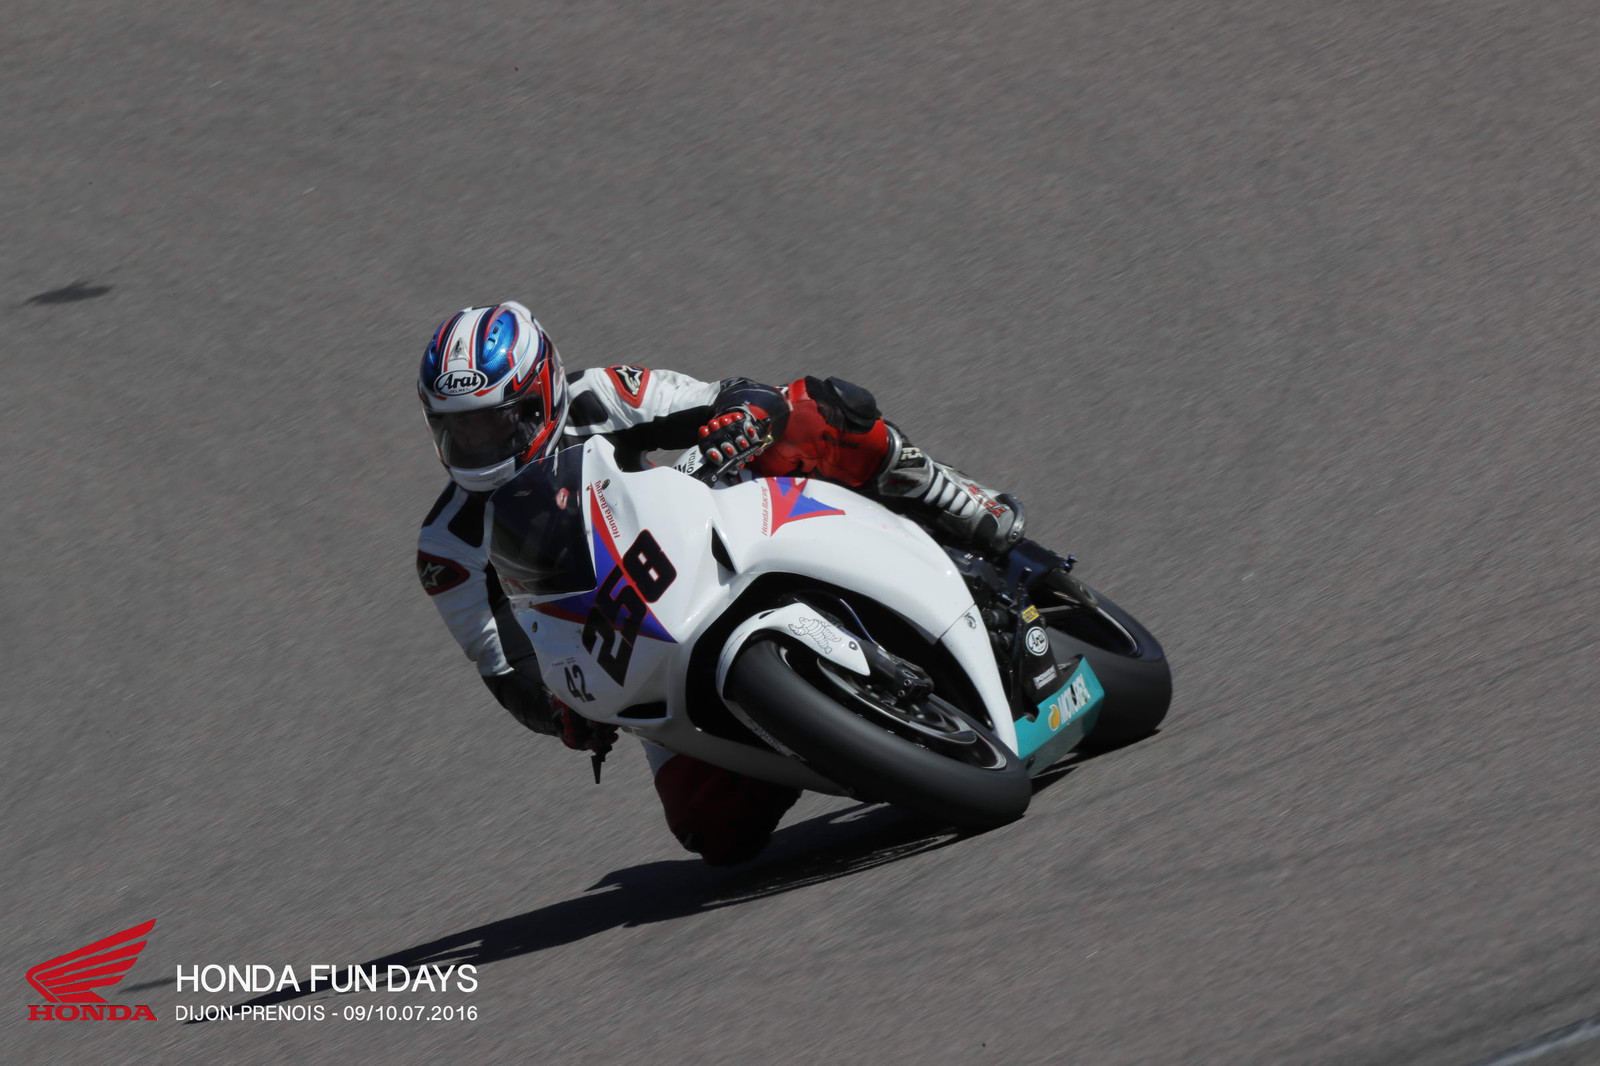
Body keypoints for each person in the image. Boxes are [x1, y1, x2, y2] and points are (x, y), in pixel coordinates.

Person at [415, 301, 1023, 864]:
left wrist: (741, 416)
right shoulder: (447, 547)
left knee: (805, 412)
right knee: (712, 829)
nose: (475, 447)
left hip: (704, 526)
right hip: (636, 637)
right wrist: (559, 713)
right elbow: (504, 664)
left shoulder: (598, 397)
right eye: (457, 431)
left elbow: (723, 395)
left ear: (540, 398)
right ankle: (841, 740)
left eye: (492, 425)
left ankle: (951, 496)